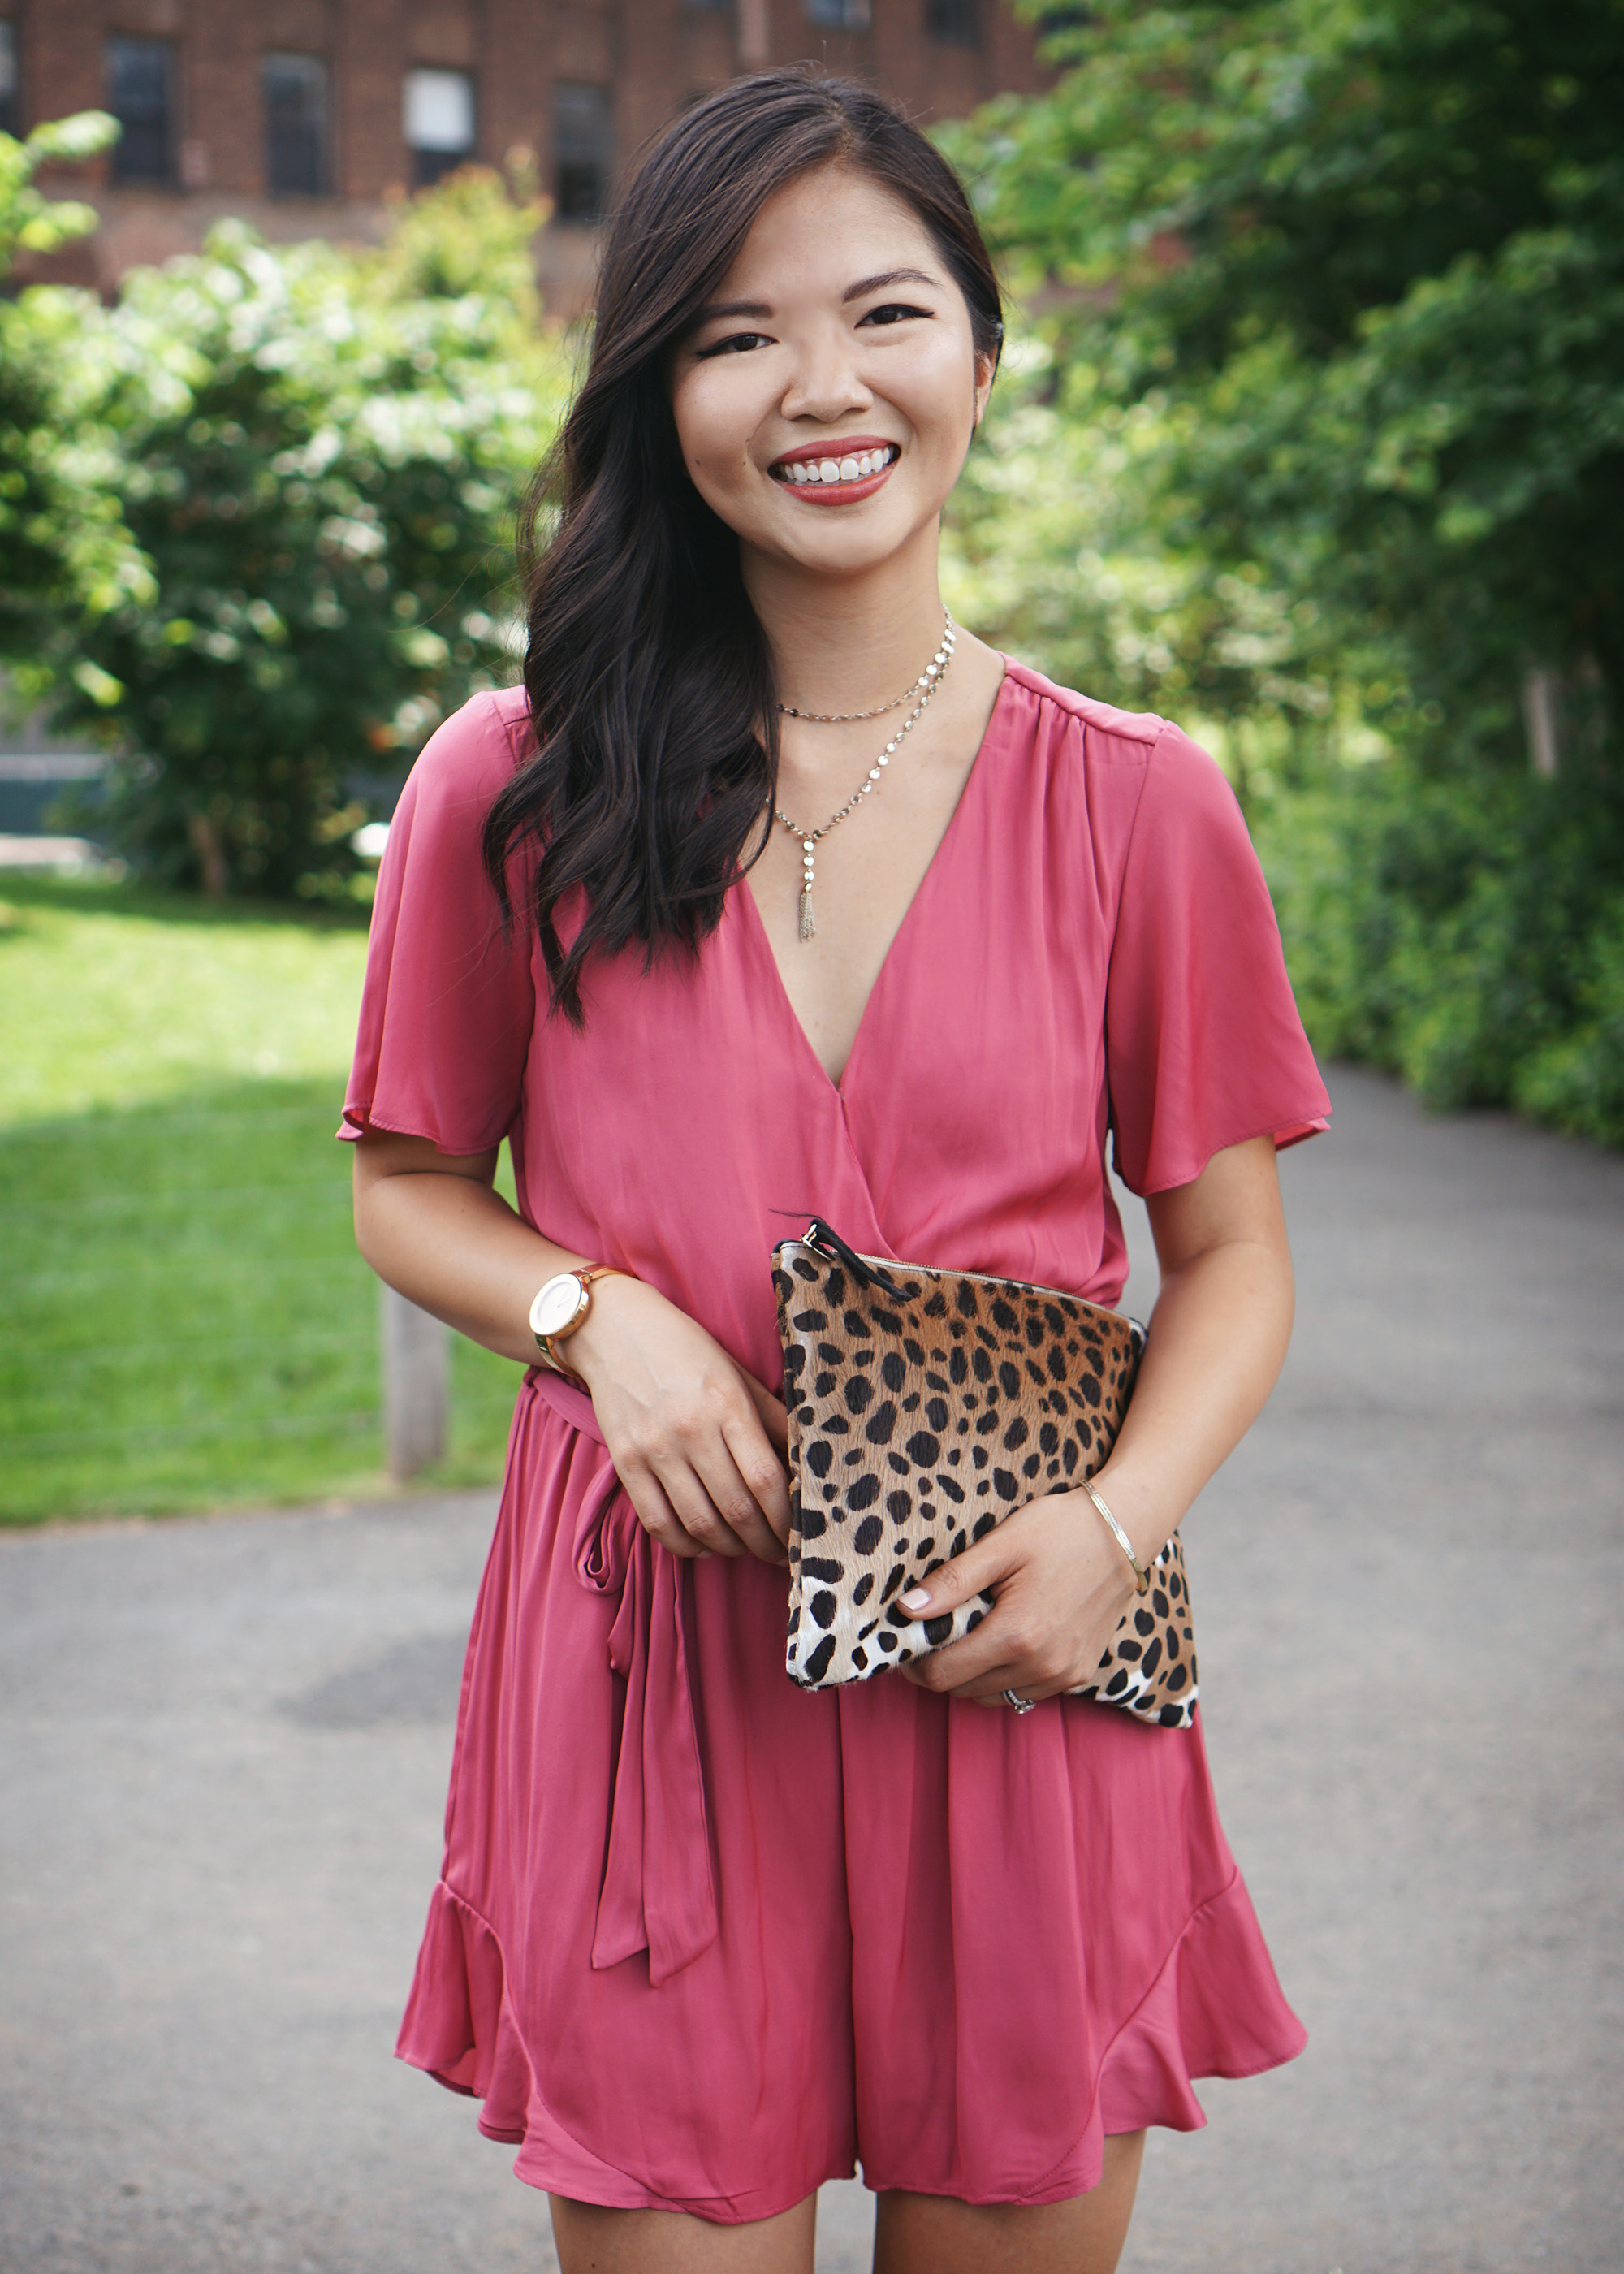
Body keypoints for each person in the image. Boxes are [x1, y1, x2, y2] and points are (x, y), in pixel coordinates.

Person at [343, 68, 1331, 2274]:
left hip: (1020, 1649)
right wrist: (596, 1322)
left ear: (982, 348)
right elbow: (407, 1183)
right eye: (737, 334)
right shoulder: (515, 781)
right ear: (658, 391)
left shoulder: (1141, 800)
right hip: (656, 1685)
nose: (824, 389)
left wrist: (1112, 1531)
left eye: (886, 313)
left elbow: (1236, 1261)